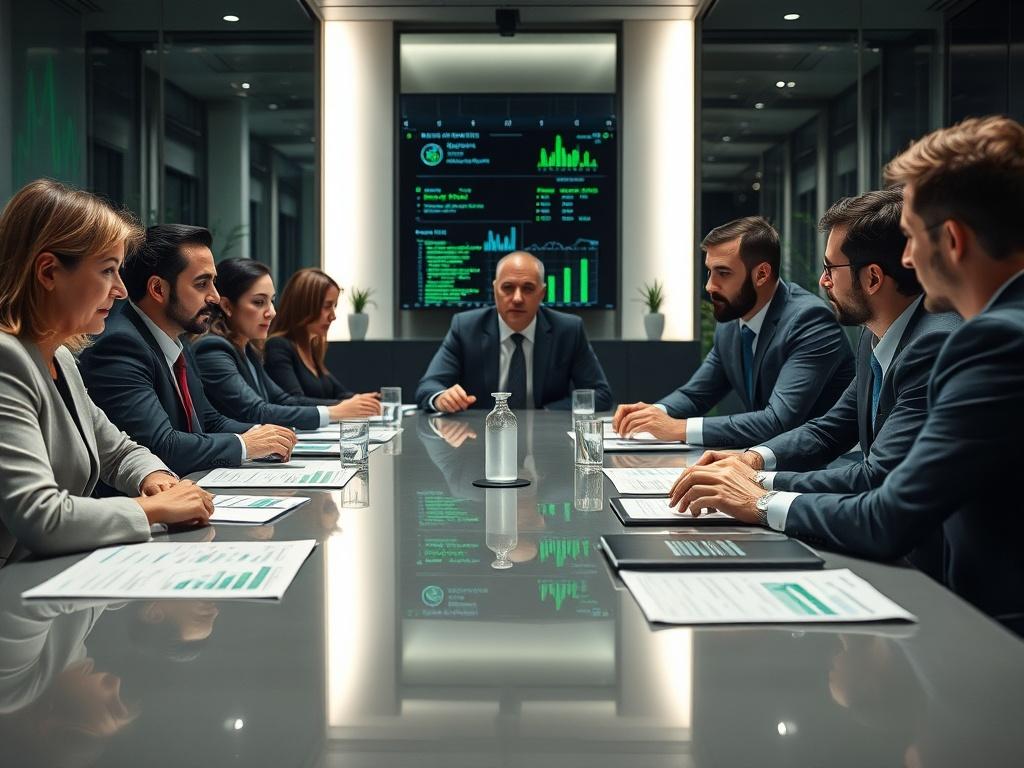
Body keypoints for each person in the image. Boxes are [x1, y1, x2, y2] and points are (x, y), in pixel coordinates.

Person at [668, 116, 1024, 630]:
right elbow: (833, 428)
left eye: (911, 238)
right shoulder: (909, 334)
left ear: (952, 240)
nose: (907, 257)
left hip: (994, 631)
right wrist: (753, 467)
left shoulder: (987, 342)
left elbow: (888, 514)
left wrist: (760, 497)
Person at [691, 190, 960, 528]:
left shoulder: (934, 344)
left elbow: (876, 476)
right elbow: (830, 430)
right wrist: (752, 460)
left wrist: (756, 488)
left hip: (929, 563)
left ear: (873, 278)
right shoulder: (875, 333)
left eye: (831, 268)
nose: (823, 281)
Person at [0, 180, 213, 563]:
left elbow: (116, 450)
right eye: (107, 271)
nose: (120, 291)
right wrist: (154, 509)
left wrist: (155, 479)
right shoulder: (6, 360)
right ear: (48, 272)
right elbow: (40, 516)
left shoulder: (60, 358)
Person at [612, 217, 855, 447]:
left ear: (761, 274)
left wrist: (679, 428)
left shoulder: (809, 320)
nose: (709, 286)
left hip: (823, 470)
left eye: (723, 273)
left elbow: (778, 421)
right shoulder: (731, 323)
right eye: (709, 271)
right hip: (763, 461)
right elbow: (696, 395)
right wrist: (653, 414)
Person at [78, 225, 296, 477]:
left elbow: (209, 421)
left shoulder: (177, 339)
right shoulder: (119, 346)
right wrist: (246, 445)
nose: (215, 297)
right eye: (202, 284)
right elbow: (161, 447)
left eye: (213, 283)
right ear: (158, 289)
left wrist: (268, 434)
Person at [415, 251, 613, 412]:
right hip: (479, 440)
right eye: (508, 288)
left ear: (542, 293)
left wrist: (546, 413)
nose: (517, 298)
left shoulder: (568, 330)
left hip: (548, 443)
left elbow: (600, 394)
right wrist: (440, 398)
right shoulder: (466, 328)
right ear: (495, 291)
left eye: (528, 289)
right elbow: (428, 386)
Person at [193, 258, 371, 429]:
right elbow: (255, 411)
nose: (272, 312)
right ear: (227, 306)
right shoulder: (212, 349)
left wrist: (346, 407)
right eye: (259, 302)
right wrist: (332, 412)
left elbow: (284, 400)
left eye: (271, 301)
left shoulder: (248, 349)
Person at [264, 267, 380, 414]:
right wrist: (346, 406)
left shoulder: (312, 347)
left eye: (334, 306)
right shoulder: (277, 346)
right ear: (304, 306)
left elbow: (340, 393)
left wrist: (364, 401)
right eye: (327, 306)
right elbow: (293, 401)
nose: (333, 316)